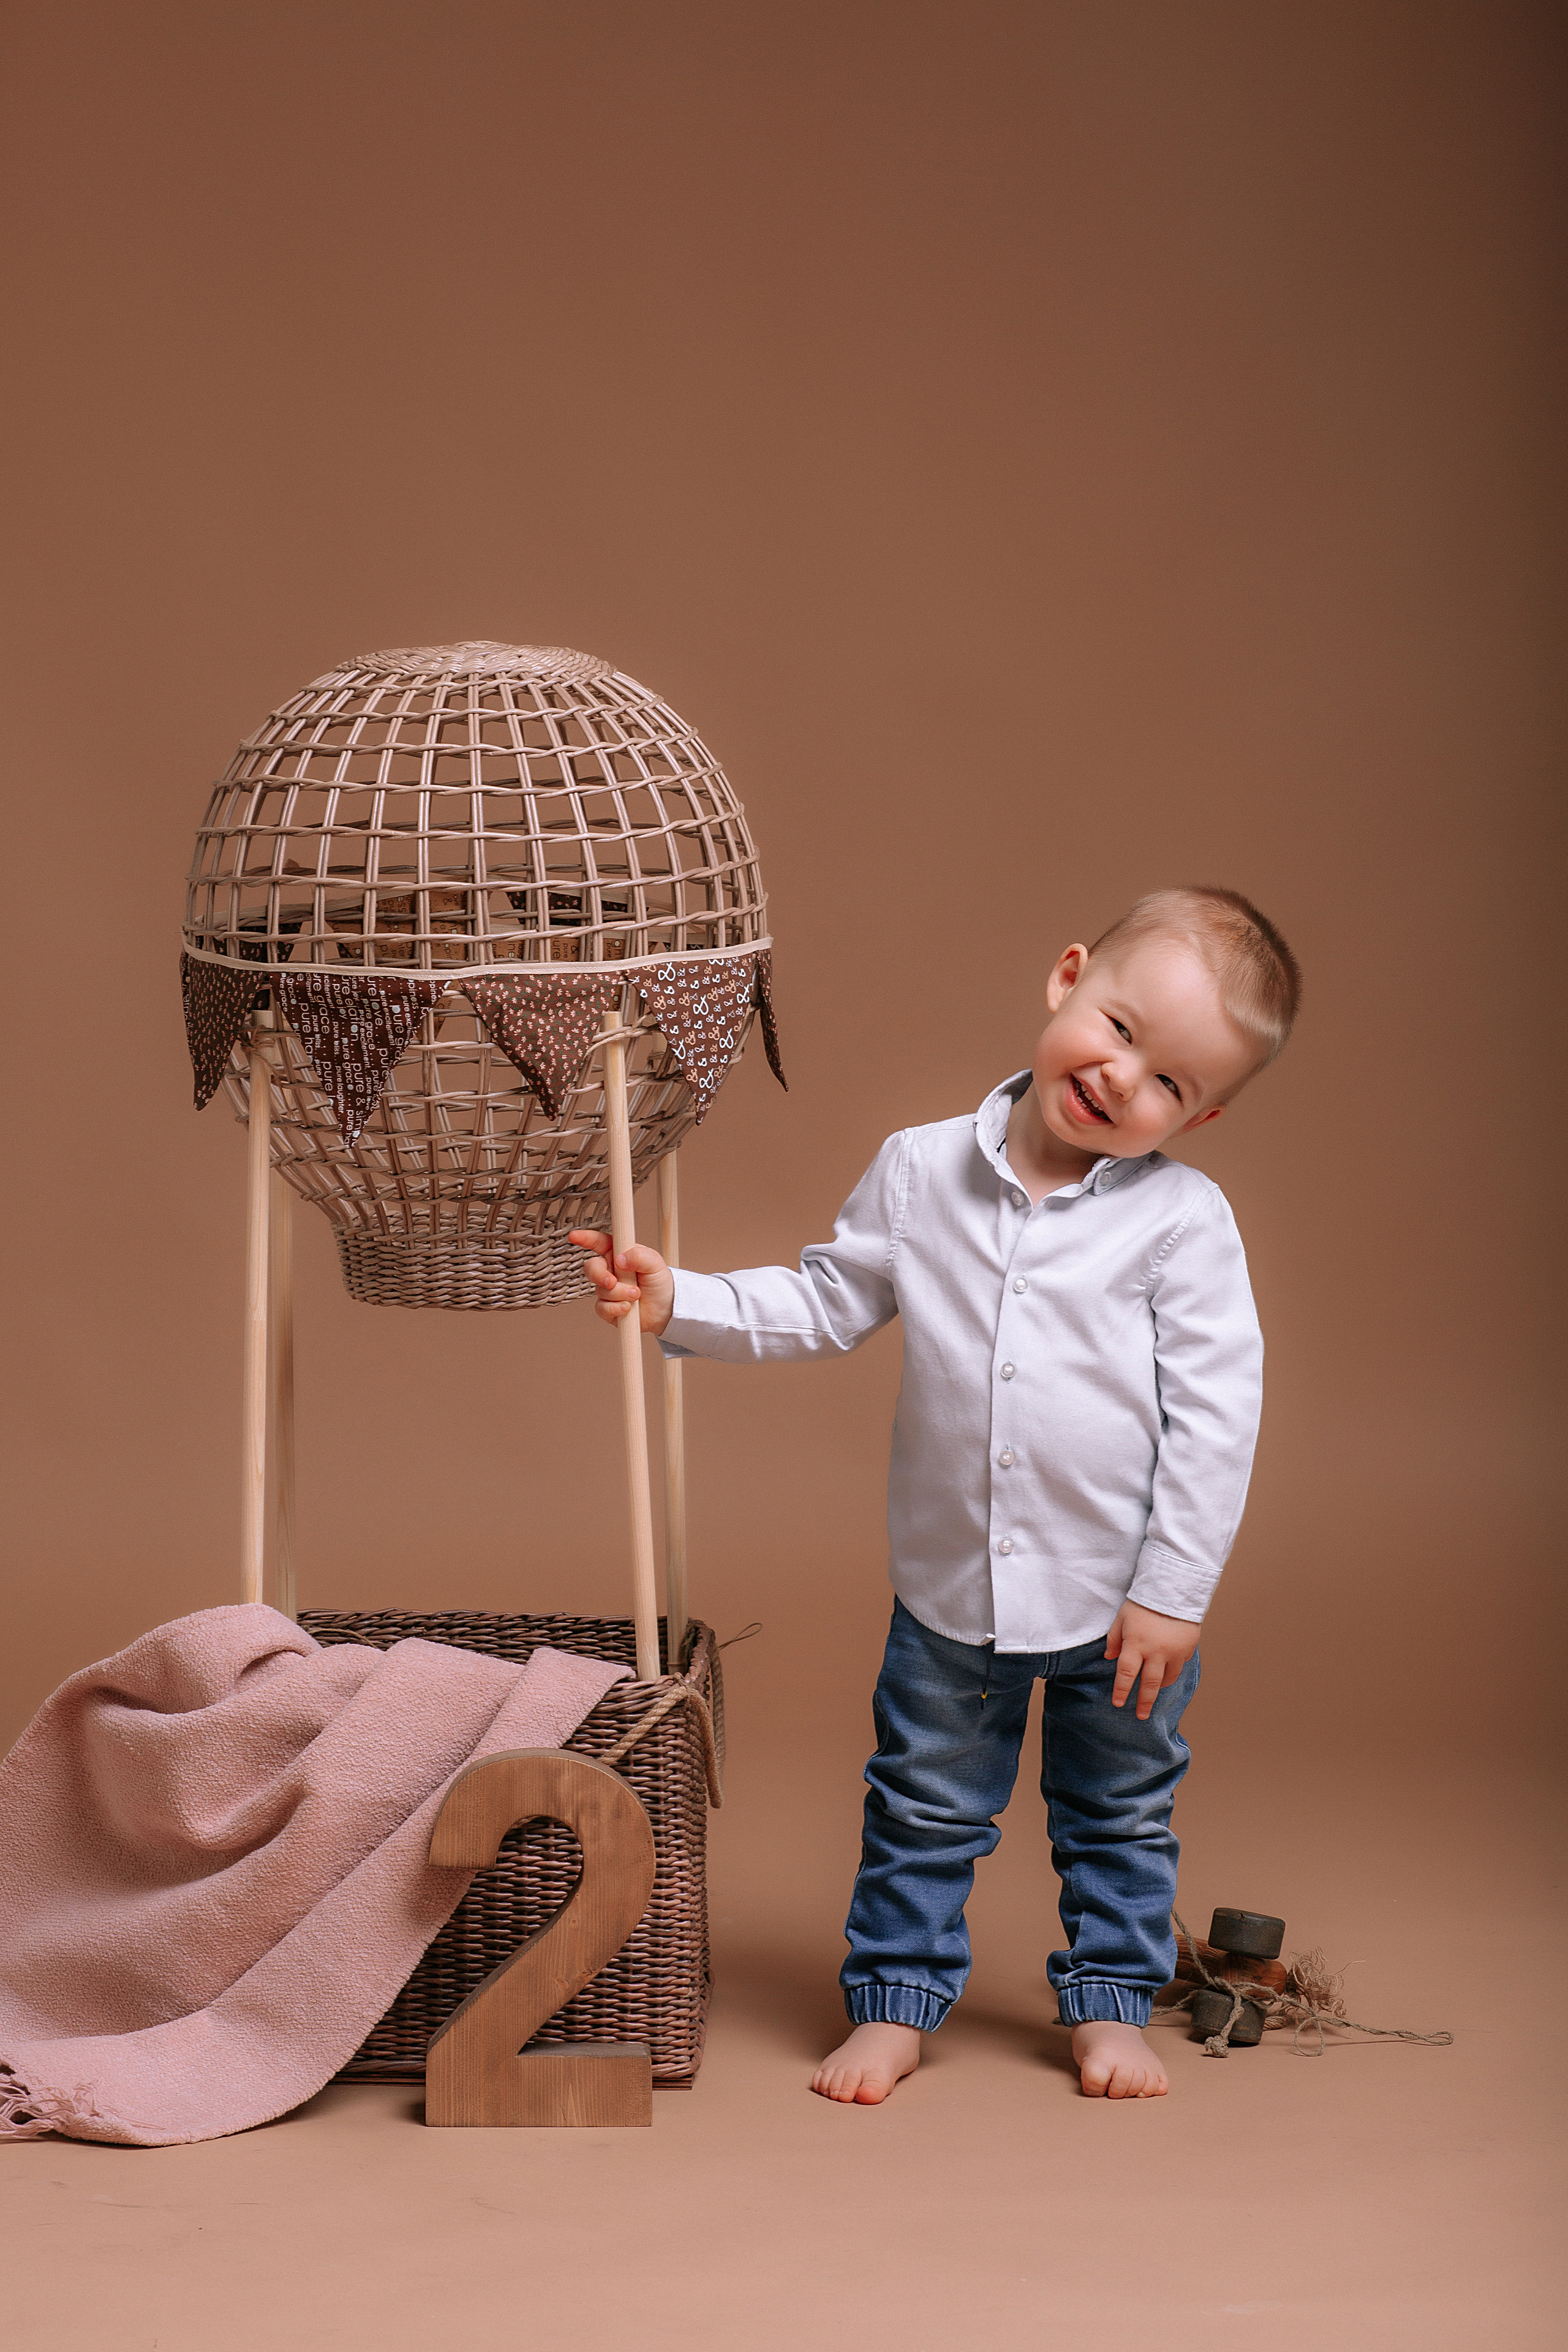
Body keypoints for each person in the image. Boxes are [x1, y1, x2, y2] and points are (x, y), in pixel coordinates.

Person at [571, 886, 1300, 2103]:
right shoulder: (919, 1170)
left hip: (1120, 1609)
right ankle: (896, 2004)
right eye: (1118, 1030)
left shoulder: (1182, 1222)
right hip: (950, 1592)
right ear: (1067, 978)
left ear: (1202, 1114)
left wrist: (1173, 1594)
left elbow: (1216, 1418)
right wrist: (678, 1300)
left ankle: (1109, 2005)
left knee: (1119, 1813)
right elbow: (824, 1301)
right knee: (920, 1807)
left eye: (1169, 1082)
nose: (1121, 1079)